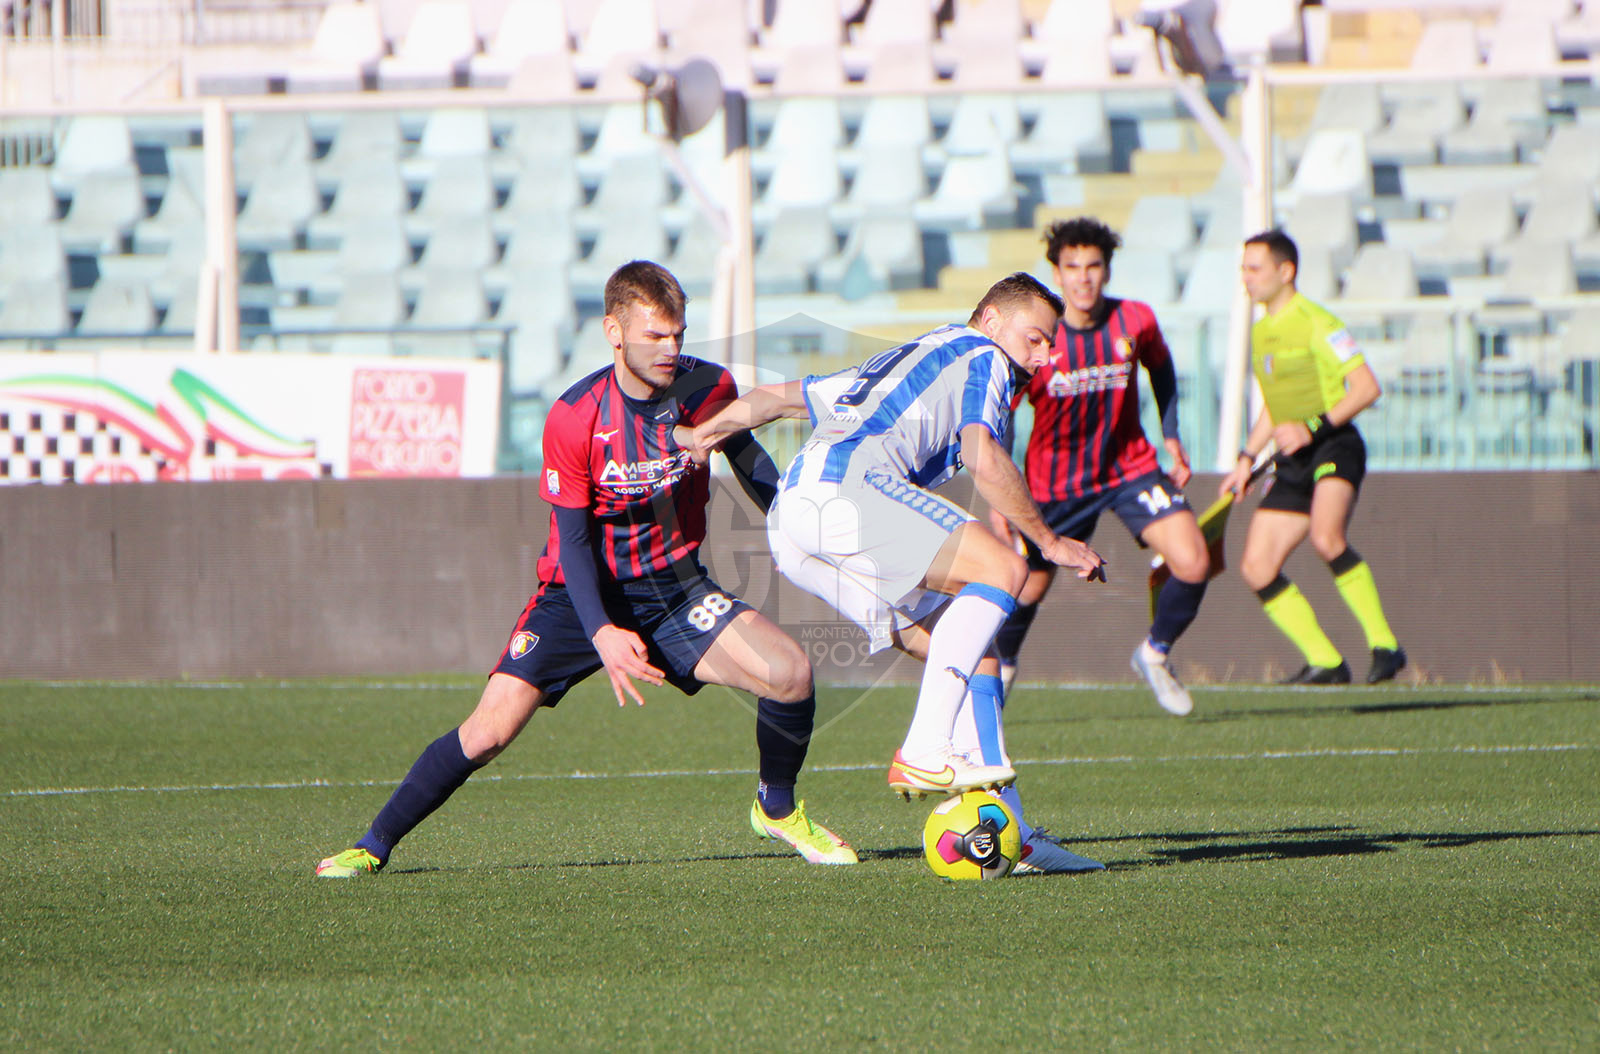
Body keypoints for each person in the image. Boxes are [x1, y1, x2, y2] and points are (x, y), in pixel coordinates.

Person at [316, 261, 857, 877]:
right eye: (655, 335)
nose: (670, 348)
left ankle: (776, 808)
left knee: (789, 673)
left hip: (673, 591)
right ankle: (373, 845)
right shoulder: (576, 415)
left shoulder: (708, 388)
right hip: (577, 596)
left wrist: (798, 524)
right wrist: (601, 631)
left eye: (678, 334)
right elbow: (572, 541)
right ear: (613, 332)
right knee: (488, 732)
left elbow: (747, 456)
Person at [683, 273, 1108, 874]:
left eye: (1050, 345)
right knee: (1005, 568)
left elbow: (776, 399)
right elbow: (982, 454)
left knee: (977, 655)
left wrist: (702, 435)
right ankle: (926, 746)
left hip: (793, 526)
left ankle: (1011, 828)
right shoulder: (983, 355)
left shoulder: (908, 361)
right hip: (848, 494)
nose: (1044, 356)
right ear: (990, 320)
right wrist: (1050, 542)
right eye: (1035, 339)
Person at [989, 216, 1211, 716]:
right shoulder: (1038, 340)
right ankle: (997, 679)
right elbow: (1004, 414)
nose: (1083, 278)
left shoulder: (1135, 319)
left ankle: (1154, 655)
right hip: (1056, 484)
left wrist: (1171, 437)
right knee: (1026, 586)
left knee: (1194, 560)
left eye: (1093, 266)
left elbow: (1161, 368)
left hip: (1130, 468)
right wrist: (1002, 494)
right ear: (1057, 273)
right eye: (1073, 267)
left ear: (1107, 270)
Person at [1219, 229, 1407, 685]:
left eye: (1255, 268)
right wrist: (1246, 457)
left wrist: (1312, 428)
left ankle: (1385, 645)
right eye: (1243, 269)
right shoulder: (1261, 331)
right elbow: (1274, 405)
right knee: (1256, 567)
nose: (1246, 278)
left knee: (1327, 537)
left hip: (1333, 444)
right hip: (1294, 457)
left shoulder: (1319, 323)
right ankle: (1325, 661)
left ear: (1286, 271)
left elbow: (1366, 388)